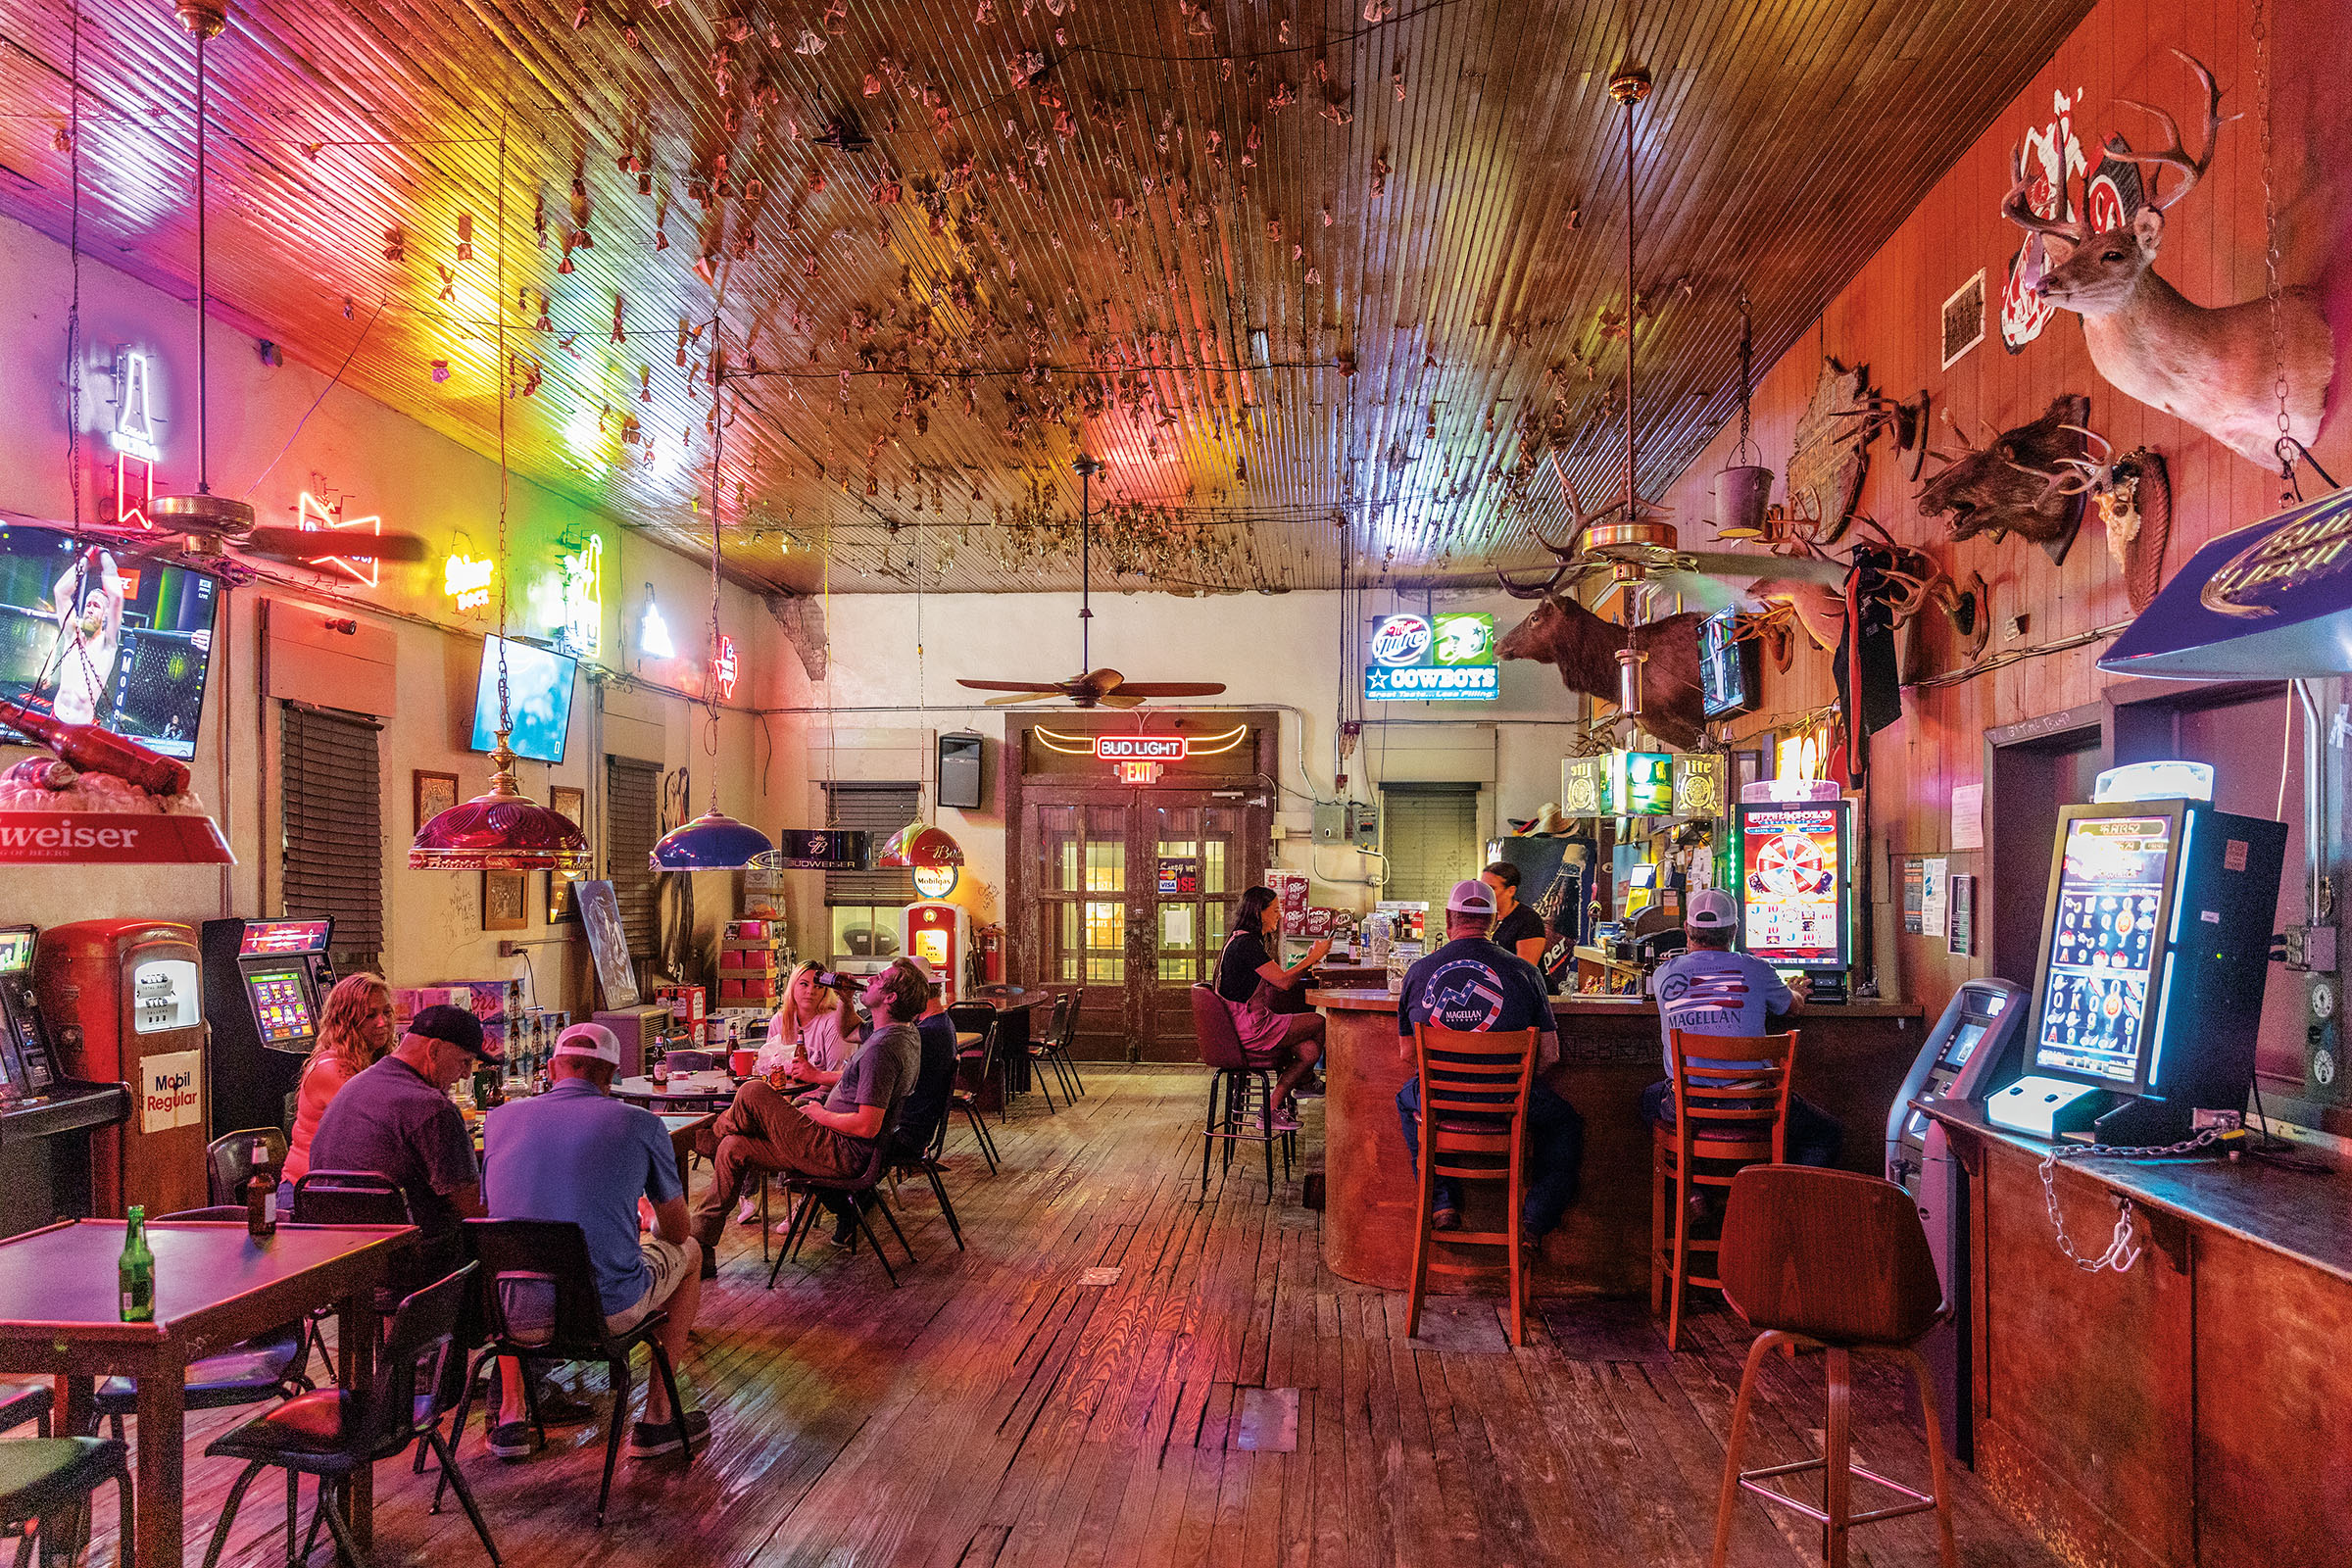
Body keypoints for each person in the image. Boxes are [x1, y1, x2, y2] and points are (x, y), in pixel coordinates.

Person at [480, 1023, 708, 1460]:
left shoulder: (499, 1120)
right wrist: (646, 1224)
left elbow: (495, 1213)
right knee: (691, 1253)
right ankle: (658, 1420)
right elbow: (677, 1231)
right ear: (612, 1075)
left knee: (512, 1256)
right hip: (606, 1312)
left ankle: (511, 1419)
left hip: (511, 1317)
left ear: (550, 1068)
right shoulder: (643, 1125)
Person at [691, 961, 926, 1274]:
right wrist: (844, 998)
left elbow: (867, 1126)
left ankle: (706, 1137)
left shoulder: (882, 1050)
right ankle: (701, 1247)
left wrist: (821, 1113)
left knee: (752, 1093)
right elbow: (850, 1029)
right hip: (835, 1145)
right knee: (732, 1147)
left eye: (880, 978)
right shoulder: (899, 1033)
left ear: (891, 998)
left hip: (839, 1151)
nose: (870, 978)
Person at [1396, 880, 1586, 1243]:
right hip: (1508, 1103)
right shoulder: (1525, 973)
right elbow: (1550, 1054)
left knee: (1407, 1100)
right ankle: (1534, 1220)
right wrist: (1504, 1088)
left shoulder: (1419, 972)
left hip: (1440, 1101)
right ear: (1494, 920)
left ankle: (1441, 1202)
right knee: (1565, 1123)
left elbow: (1408, 1054)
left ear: (1449, 917)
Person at [1643, 888, 1842, 1170]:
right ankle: (1777, 1201)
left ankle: (1691, 1190)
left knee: (1650, 1100)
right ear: (1734, 930)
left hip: (1687, 1107)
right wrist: (1794, 991)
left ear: (1687, 928)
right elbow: (1792, 1008)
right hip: (1751, 1107)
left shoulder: (1664, 973)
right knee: (1827, 1133)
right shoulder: (1757, 970)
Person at [306, 1004, 496, 1276]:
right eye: (465, 1061)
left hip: (338, 1261)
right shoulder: (433, 1109)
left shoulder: (355, 1085)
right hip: (410, 1269)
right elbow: (474, 1211)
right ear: (433, 1050)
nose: (466, 1074)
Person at [736, 962, 866, 1224]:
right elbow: (771, 1066)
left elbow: (839, 1077)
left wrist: (807, 1080)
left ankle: (801, 1199)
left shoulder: (832, 1021)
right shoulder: (779, 1021)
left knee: (792, 1114)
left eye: (818, 986)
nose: (810, 991)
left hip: (822, 1097)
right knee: (753, 1115)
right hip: (784, 1094)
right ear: (792, 987)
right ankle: (749, 1195)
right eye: (803, 984)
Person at [1210, 886, 1329, 1128]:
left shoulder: (1241, 939)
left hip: (1240, 1025)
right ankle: (1305, 1082)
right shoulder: (1246, 945)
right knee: (1319, 1022)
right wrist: (1313, 958)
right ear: (1258, 912)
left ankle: (1271, 1108)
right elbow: (1283, 982)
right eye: (1275, 910)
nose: (1280, 915)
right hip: (1250, 1028)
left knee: (1308, 1051)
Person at [283, 973, 396, 1187]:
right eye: (370, 1015)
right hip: (308, 1189)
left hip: (347, 1184)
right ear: (347, 1020)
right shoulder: (330, 1069)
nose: (382, 1022)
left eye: (387, 1012)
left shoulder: (375, 1060)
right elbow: (380, 1128)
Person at [37, 548, 124, 726]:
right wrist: (87, 557)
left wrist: (103, 552)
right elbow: (60, 591)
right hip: (56, 716)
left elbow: (116, 598)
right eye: (88, 604)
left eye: (97, 605)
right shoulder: (72, 634)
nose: (91, 608)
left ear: (106, 613)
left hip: (82, 726)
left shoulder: (107, 643)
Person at [1481, 860, 1549, 966]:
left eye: (1492, 888)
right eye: (1483, 887)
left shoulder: (1528, 919)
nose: (1485, 893)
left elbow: (1525, 967)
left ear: (1511, 891)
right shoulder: (1484, 915)